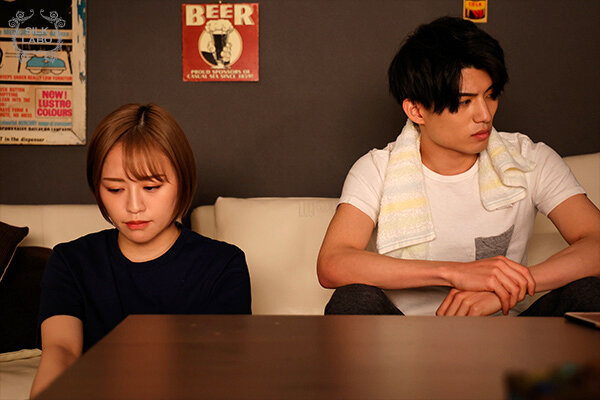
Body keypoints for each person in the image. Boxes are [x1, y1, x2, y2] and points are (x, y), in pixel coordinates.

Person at [317, 17, 600, 317]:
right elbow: (333, 262)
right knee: (352, 299)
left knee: (588, 291)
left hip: (509, 331)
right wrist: (455, 273)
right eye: (465, 102)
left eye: (491, 96)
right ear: (416, 110)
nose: (484, 115)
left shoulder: (528, 158)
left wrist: (506, 288)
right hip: (405, 338)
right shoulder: (376, 168)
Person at [30, 103, 251, 397]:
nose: (134, 207)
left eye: (150, 187)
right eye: (115, 189)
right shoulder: (71, 262)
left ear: (182, 181)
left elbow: (220, 370)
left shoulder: (223, 265)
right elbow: (61, 351)